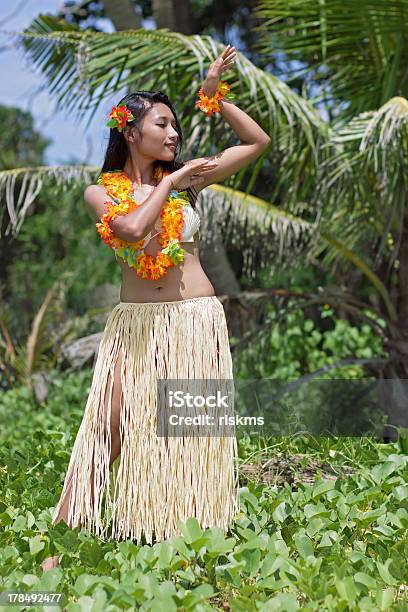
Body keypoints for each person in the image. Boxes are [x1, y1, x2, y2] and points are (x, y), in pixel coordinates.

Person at [41, 44, 270, 571]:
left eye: (175, 127)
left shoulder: (188, 179)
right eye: (162, 125)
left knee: (187, 428)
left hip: (195, 321)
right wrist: (168, 182)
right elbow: (131, 229)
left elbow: (257, 142)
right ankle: (62, 539)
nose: (173, 135)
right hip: (138, 326)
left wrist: (215, 98)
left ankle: (185, 535)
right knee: (110, 424)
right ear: (131, 132)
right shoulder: (102, 193)